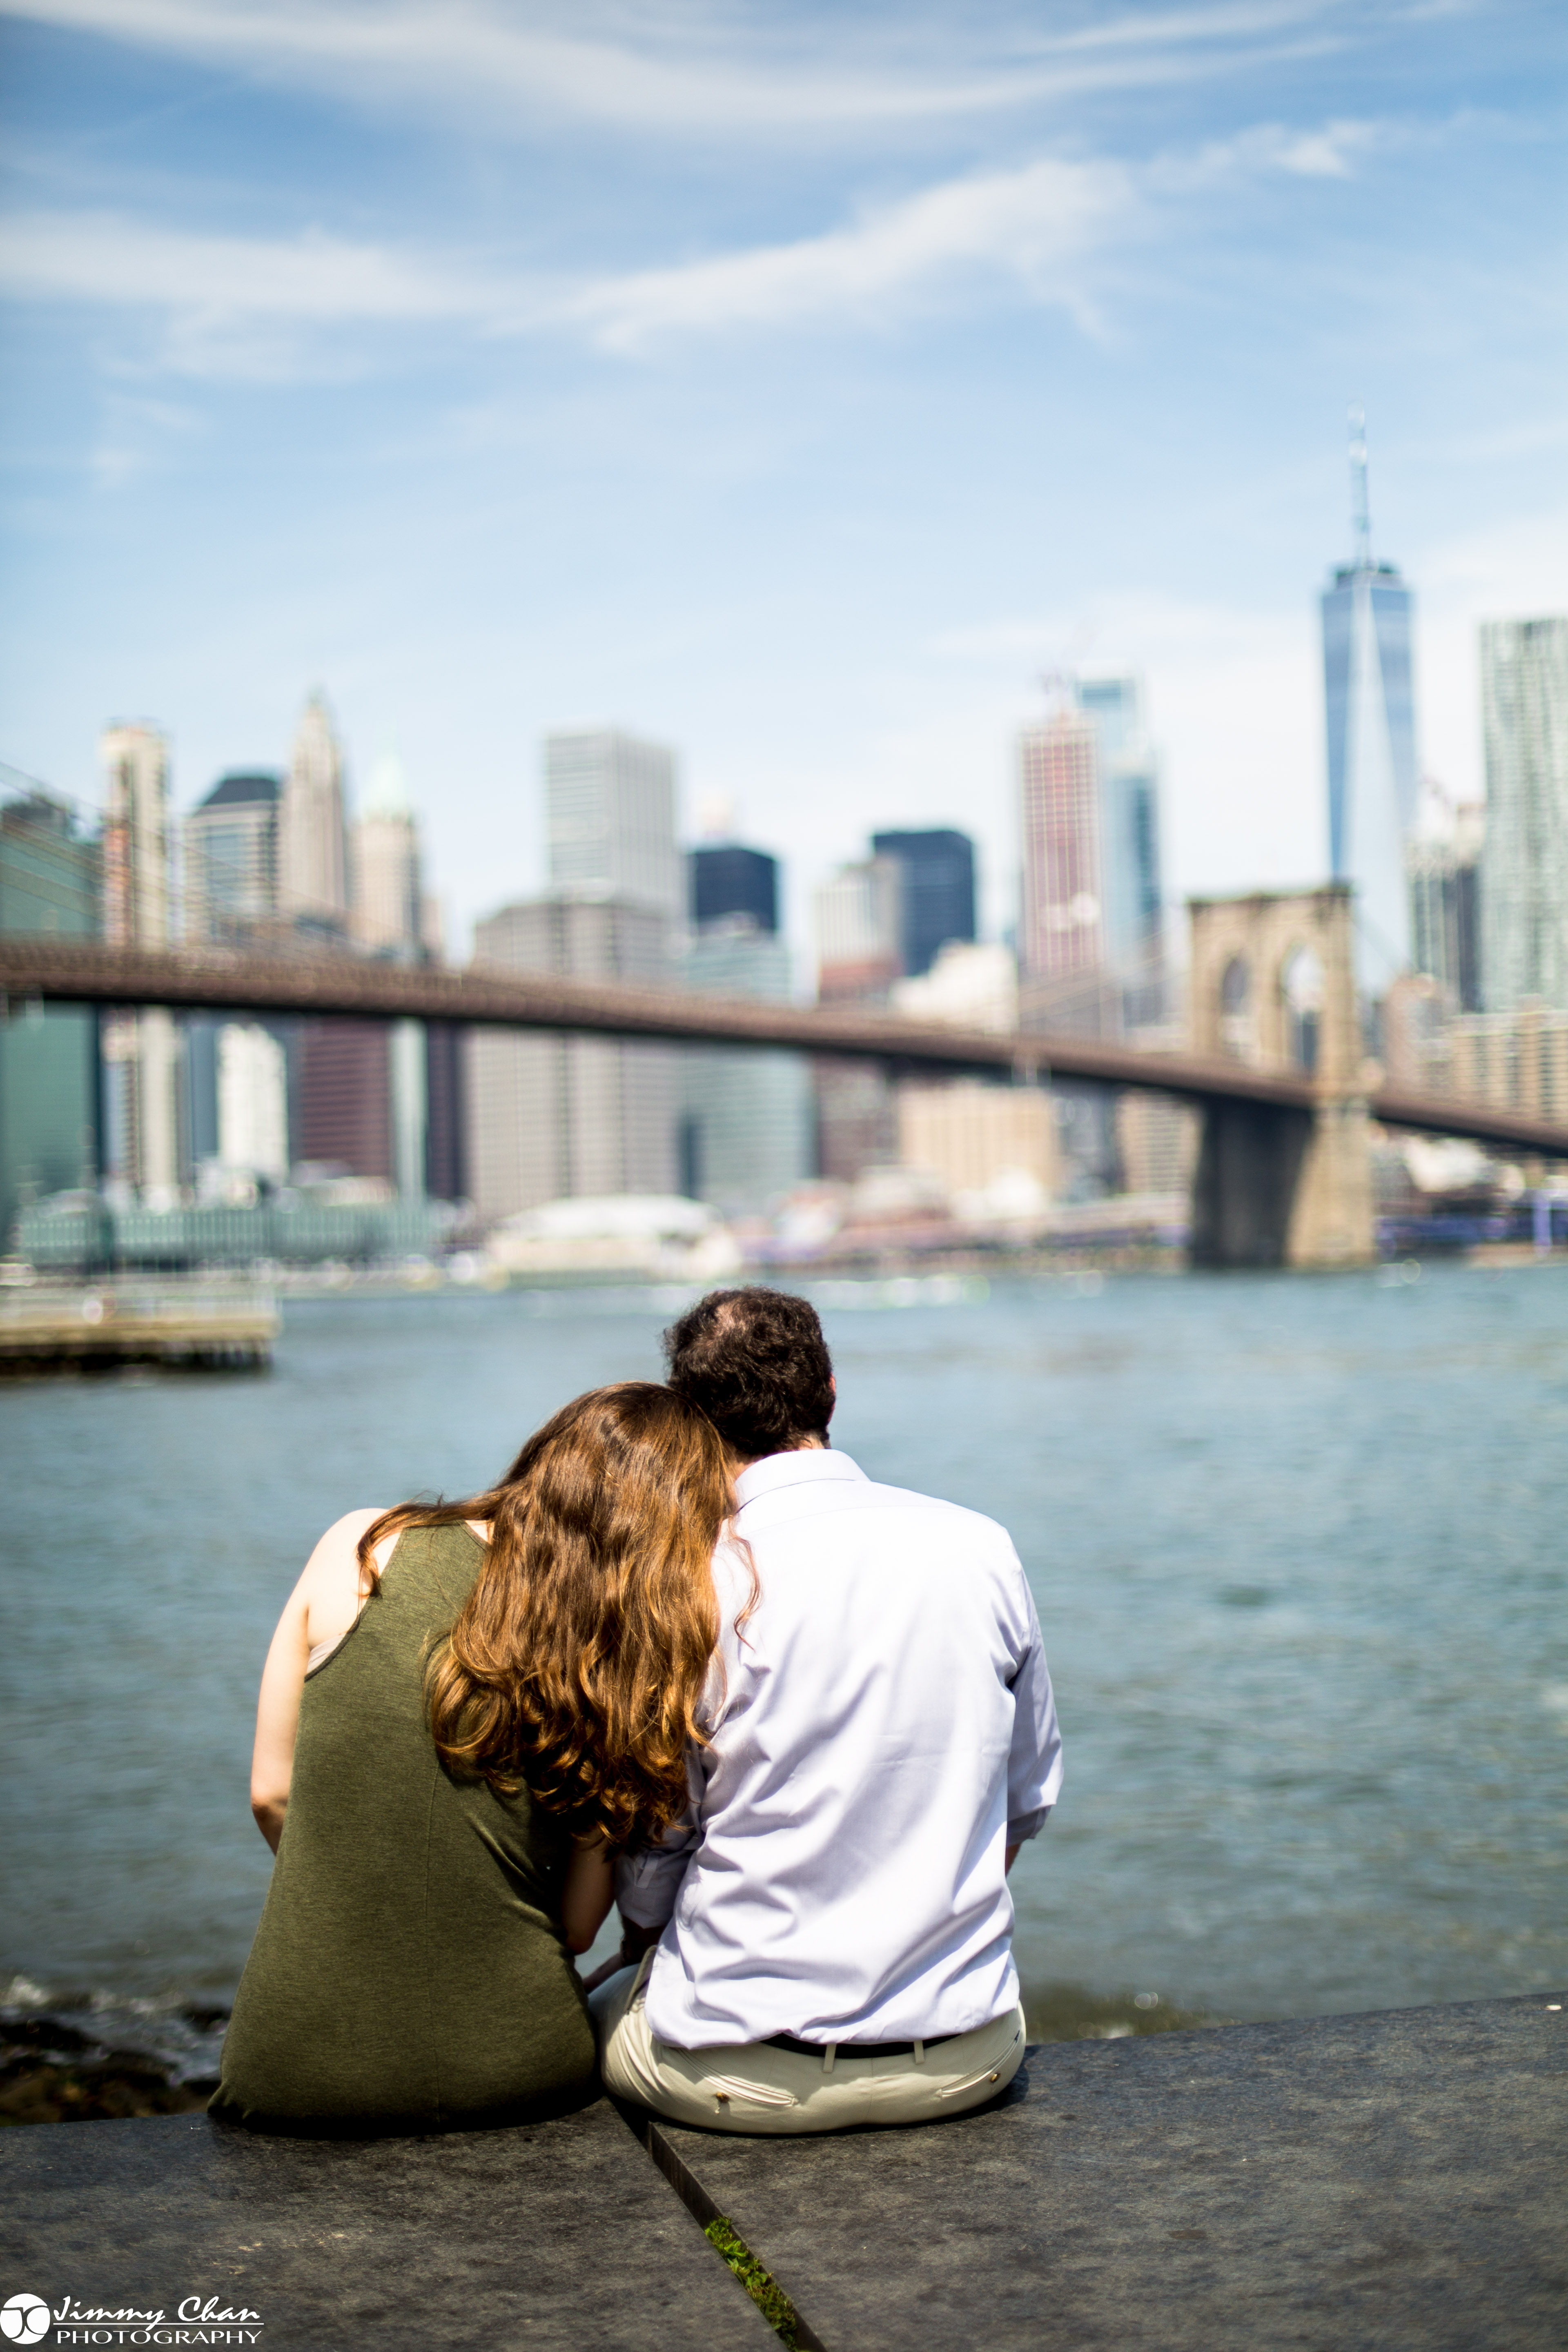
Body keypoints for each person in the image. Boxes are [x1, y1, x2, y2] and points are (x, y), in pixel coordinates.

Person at [590, 1286, 1062, 2134]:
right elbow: (1023, 1807)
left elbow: (658, 1855)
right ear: (831, 1394)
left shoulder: (694, 1581)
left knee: (591, 2013)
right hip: (969, 2058)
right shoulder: (981, 1546)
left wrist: (643, 1941)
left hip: (741, 2076)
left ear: (690, 1423)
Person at [212, 1383, 730, 2134]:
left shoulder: (368, 1546)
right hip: (522, 2070)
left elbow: (270, 1793)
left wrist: (365, 1901)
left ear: (543, 1458)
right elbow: (578, 1929)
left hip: (288, 2074)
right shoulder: (618, 1671)